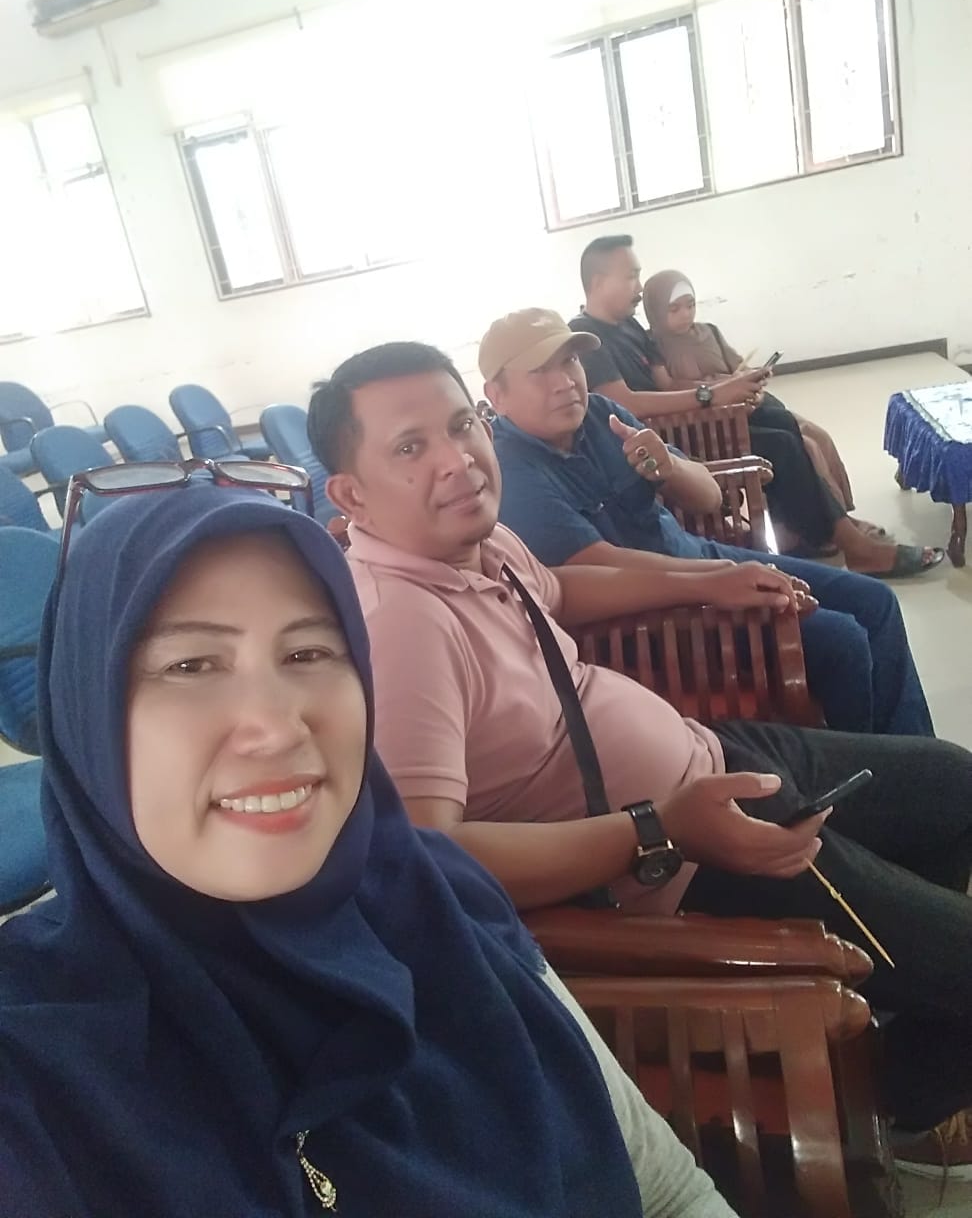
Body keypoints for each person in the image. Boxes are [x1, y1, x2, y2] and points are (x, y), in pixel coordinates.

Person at [0, 477, 740, 1218]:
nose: (278, 727)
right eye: (191, 666)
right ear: (86, 709)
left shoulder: (439, 898)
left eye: (308, 653)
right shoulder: (35, 1067)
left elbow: (669, 1194)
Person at [308, 340, 972, 1155]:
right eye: (411, 447)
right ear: (352, 493)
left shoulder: (474, 541)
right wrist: (661, 830)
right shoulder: (401, 625)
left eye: (460, 426)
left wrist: (708, 581)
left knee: (953, 786)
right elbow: (429, 857)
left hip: (711, 761)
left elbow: (561, 588)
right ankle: (899, 1117)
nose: (458, 460)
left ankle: (909, 1012)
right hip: (675, 861)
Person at [483, 307, 932, 738]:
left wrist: (670, 469)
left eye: (571, 361)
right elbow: (596, 564)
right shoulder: (511, 471)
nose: (566, 382)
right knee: (842, 640)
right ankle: (873, 776)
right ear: (496, 395)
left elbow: (709, 497)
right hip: (656, 618)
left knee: (876, 601)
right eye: (540, 371)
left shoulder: (602, 415)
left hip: (701, 560)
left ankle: (919, 763)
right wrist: (717, 579)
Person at [571, 235, 943, 578]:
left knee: (780, 421)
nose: (639, 287)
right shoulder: (587, 336)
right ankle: (854, 546)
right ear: (599, 282)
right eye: (631, 277)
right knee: (780, 445)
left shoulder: (629, 327)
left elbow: (666, 385)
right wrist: (710, 397)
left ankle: (812, 530)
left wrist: (726, 388)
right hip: (670, 441)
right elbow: (625, 404)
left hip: (692, 422)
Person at [641, 267, 862, 525]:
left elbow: (739, 367)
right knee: (805, 446)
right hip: (719, 416)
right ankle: (827, 524)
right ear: (656, 311)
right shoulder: (654, 346)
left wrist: (752, 377)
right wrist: (721, 387)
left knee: (818, 435)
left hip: (748, 402)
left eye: (690, 305)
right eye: (674, 309)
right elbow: (669, 388)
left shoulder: (709, 332)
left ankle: (841, 515)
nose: (686, 314)